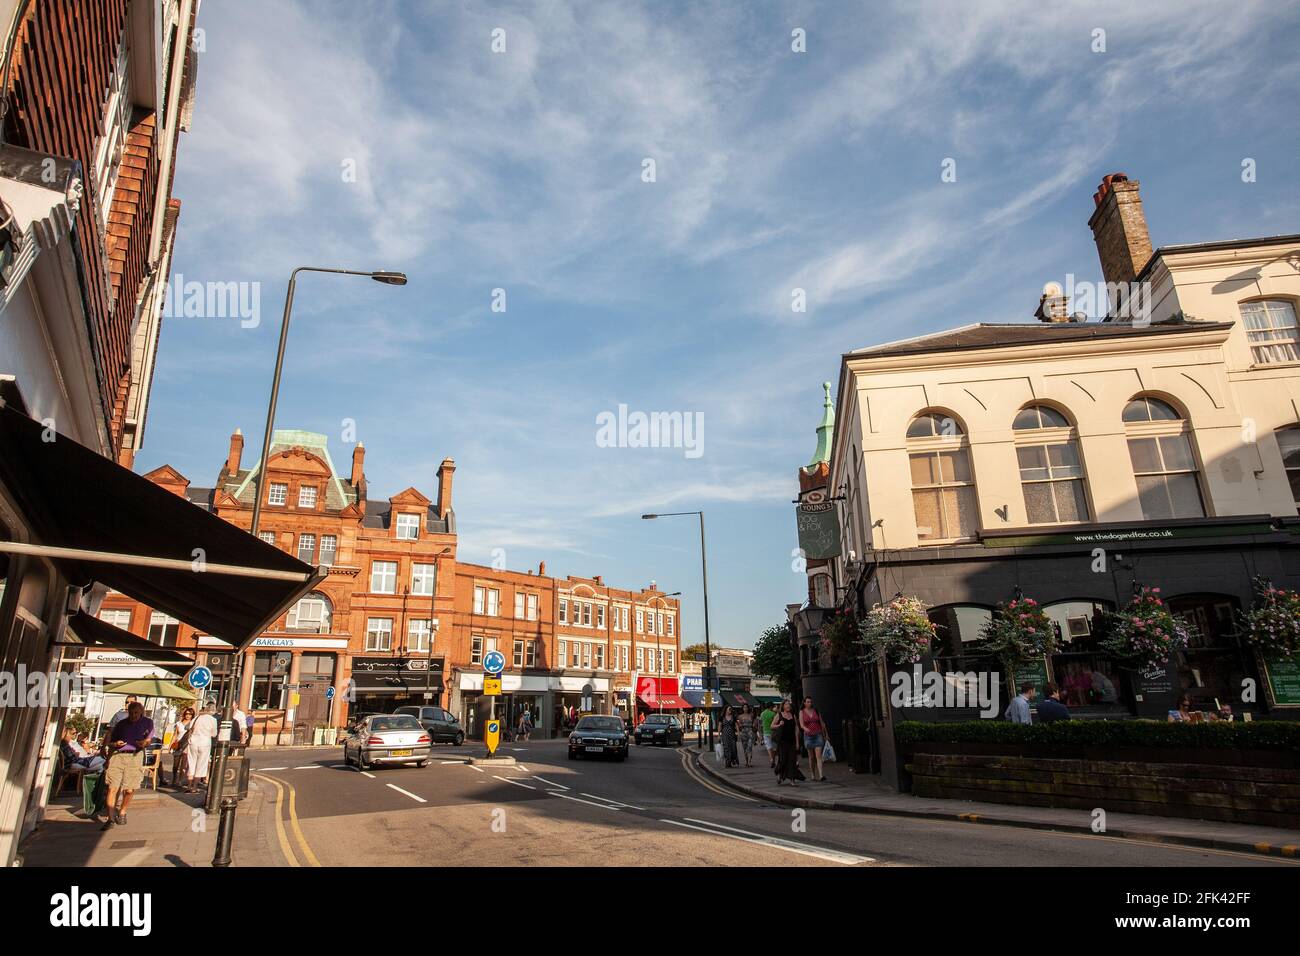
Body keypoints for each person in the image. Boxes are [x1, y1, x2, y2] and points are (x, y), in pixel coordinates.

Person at [97, 701, 154, 829]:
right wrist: (114, 746)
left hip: (135, 756)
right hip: (118, 756)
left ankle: (122, 811)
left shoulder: (147, 723)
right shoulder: (121, 724)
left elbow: (149, 740)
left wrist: (143, 744)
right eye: (131, 712)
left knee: (129, 789)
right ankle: (110, 819)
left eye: (136, 712)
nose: (133, 715)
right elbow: (111, 742)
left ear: (141, 712)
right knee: (112, 787)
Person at [184, 705, 219, 793]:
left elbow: (188, 728)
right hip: (205, 742)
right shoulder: (212, 720)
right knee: (201, 764)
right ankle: (195, 787)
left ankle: (189, 785)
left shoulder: (196, 718)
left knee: (191, 763)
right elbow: (214, 734)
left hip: (193, 741)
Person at [771, 700, 805, 786]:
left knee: (792, 760)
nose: (788, 705)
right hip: (782, 742)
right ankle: (779, 774)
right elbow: (772, 726)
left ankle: (792, 780)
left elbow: (796, 729)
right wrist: (779, 725)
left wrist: (797, 742)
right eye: (786, 704)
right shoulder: (779, 715)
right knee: (783, 760)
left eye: (789, 704)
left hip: (792, 741)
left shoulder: (793, 716)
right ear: (783, 706)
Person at [799, 696, 828, 781]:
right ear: (804, 703)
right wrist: (805, 728)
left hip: (818, 734)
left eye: (810, 702)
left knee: (818, 756)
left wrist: (826, 734)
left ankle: (821, 775)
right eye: (808, 702)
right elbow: (801, 724)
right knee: (811, 757)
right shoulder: (802, 712)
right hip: (808, 736)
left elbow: (822, 723)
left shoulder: (816, 710)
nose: (809, 703)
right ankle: (812, 774)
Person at [169, 707, 195, 787]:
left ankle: (180, 780)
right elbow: (175, 735)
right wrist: (171, 745)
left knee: (183, 764)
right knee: (175, 764)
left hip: (186, 744)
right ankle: (174, 778)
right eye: (187, 714)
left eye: (190, 714)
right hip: (178, 744)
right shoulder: (179, 723)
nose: (188, 716)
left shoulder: (192, 724)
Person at [760, 702, 777, 768]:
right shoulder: (773, 714)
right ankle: (774, 760)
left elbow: (761, 724)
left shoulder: (762, 714)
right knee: (774, 748)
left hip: (765, 732)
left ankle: (771, 759)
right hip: (773, 732)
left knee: (769, 747)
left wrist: (761, 733)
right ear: (771, 707)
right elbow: (775, 723)